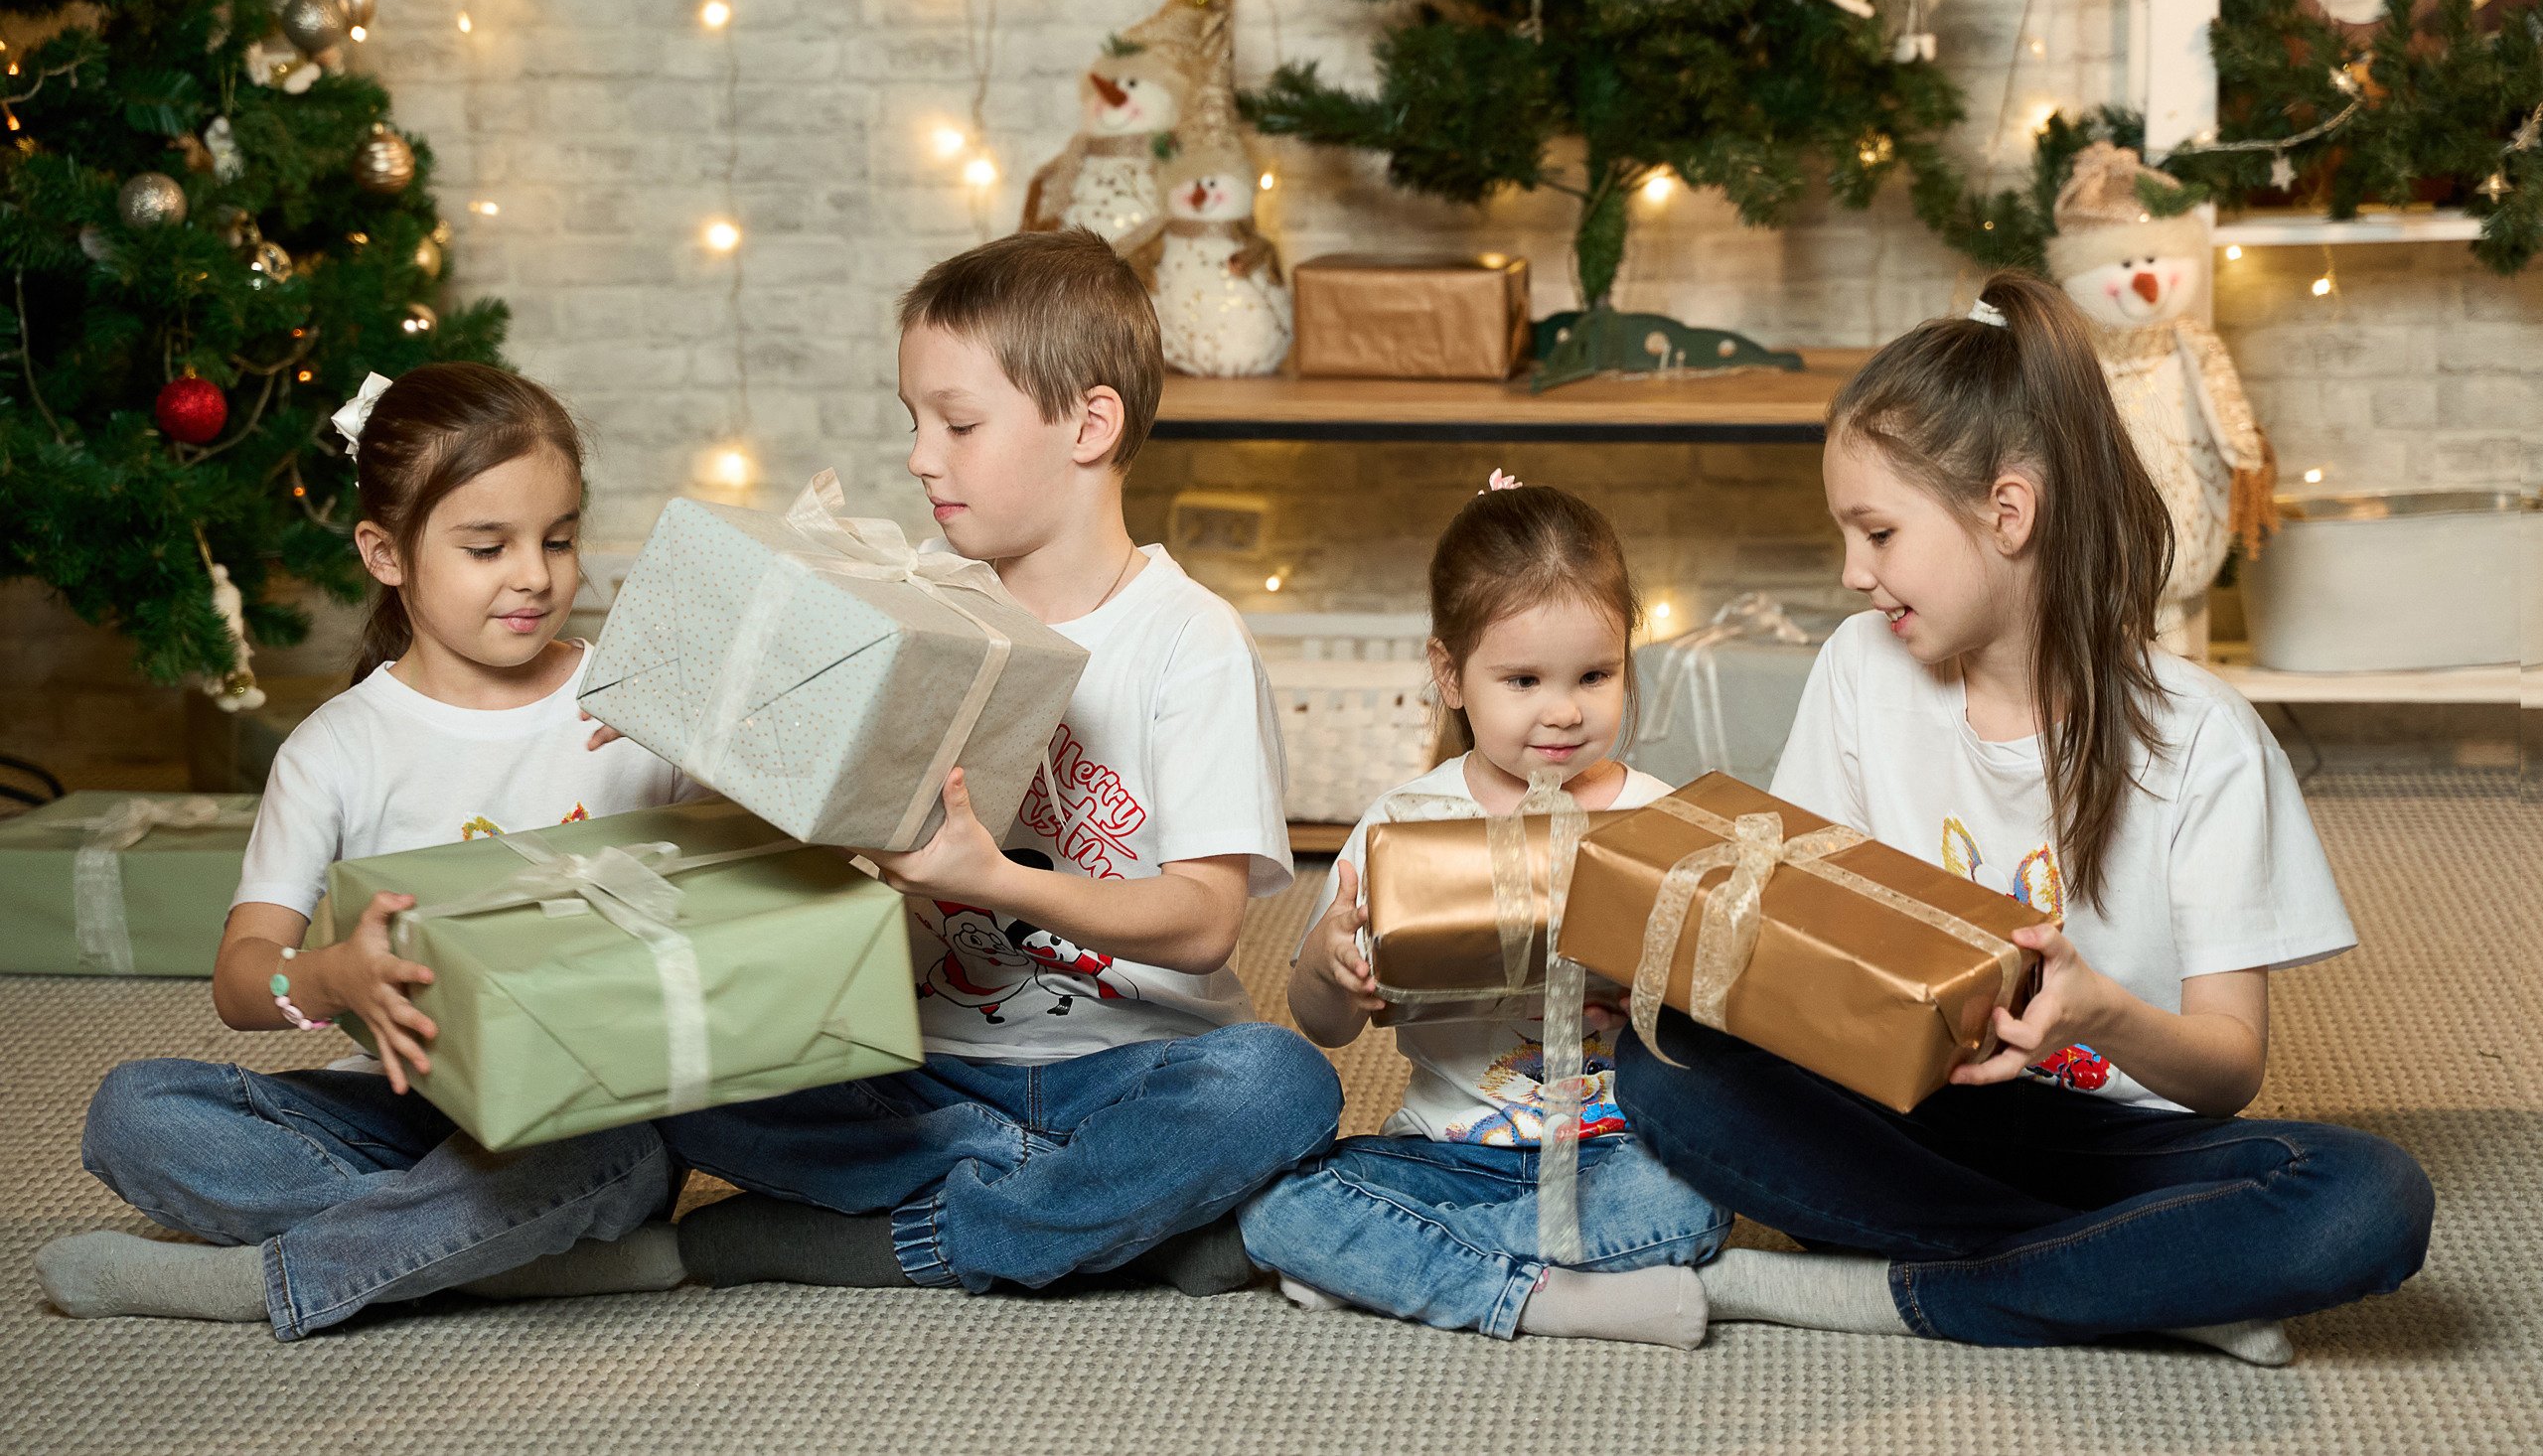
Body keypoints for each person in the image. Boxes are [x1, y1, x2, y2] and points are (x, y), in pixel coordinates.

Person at [1615, 273, 2435, 1365]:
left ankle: (1910, 1288)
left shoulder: (2205, 737)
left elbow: (2228, 1069)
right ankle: (2147, 1279)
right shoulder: (1859, 669)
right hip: (1917, 1113)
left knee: (2370, 1197)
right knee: (1662, 1057)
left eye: (1877, 532)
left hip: (2117, 1144)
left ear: (2008, 513)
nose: (1852, 574)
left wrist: (2098, 1012)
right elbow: (1807, 939)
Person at [662, 227, 1341, 1297]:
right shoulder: (911, 605)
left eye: (959, 424)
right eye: (914, 421)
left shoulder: (1189, 640)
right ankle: (1121, 1213)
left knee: (1280, 1086)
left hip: (1131, 1068)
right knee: (669, 1066)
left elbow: (1206, 923)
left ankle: (915, 1236)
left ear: (1090, 424)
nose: (919, 457)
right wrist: (701, 723)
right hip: (921, 1068)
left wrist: (996, 881)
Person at [39, 364, 701, 1341]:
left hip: (585, 1109)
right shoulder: (336, 748)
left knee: (616, 1157)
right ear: (384, 552)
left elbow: (747, 885)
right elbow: (242, 979)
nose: (534, 574)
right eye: (488, 546)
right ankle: (495, 1252)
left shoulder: (632, 703)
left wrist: (716, 753)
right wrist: (330, 979)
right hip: (397, 1105)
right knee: (132, 1111)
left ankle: (274, 1279)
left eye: (558, 539)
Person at [1240, 477, 1727, 1347]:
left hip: (1617, 1153)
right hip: (1446, 1152)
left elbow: (1715, 1021)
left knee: (1699, 1195)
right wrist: (1330, 965)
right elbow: (1323, 1025)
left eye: (1595, 674)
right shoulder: (1404, 823)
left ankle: (1405, 1266)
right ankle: (1551, 1294)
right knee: (1274, 1205)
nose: (1564, 710)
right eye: (1524, 679)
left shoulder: (1659, 819)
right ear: (1450, 674)